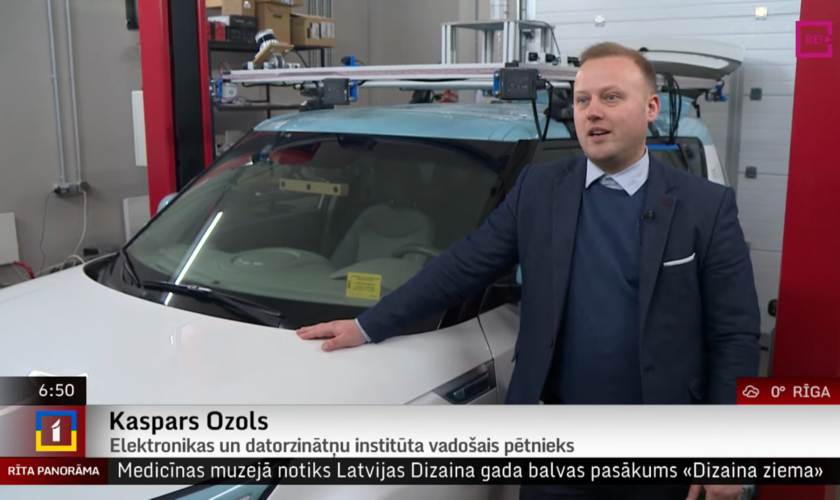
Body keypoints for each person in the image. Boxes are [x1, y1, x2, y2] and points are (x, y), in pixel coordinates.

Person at [296, 42, 761, 500]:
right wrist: (368, 324)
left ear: (651, 108)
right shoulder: (540, 189)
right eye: (582, 100)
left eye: (611, 97)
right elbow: (463, 265)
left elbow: (734, 335)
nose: (593, 112)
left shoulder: (705, 207)